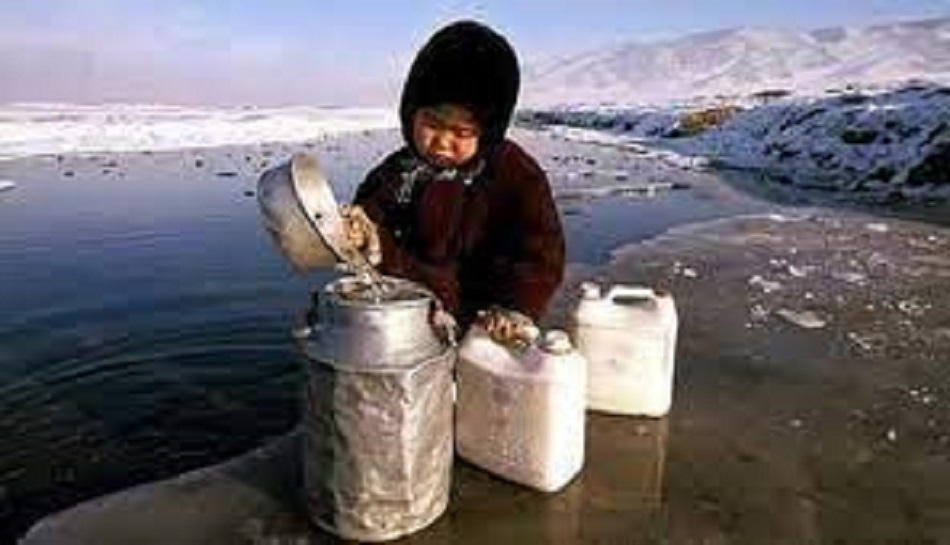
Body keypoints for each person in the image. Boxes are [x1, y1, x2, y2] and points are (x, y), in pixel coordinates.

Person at [343, 20, 565, 345]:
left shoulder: (515, 174)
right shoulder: (398, 171)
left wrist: (517, 306)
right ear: (411, 112)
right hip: (409, 316)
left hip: (485, 325)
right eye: (432, 124)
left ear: (487, 132)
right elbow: (371, 216)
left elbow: (541, 253)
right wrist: (363, 234)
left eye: (462, 132)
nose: (442, 142)